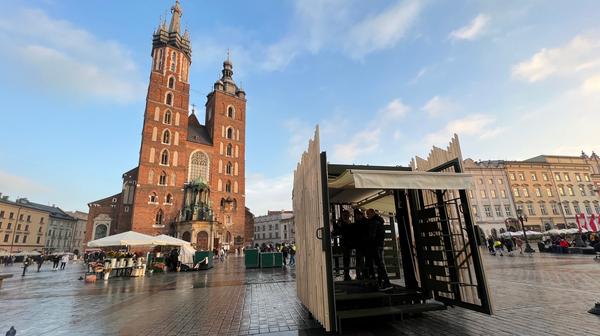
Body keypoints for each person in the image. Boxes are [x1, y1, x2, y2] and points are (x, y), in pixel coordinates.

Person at [366, 209, 392, 291]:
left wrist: (367, 241)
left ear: (372, 213)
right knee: (380, 264)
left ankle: (387, 283)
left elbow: (372, 236)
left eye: (368, 214)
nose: (367, 216)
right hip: (379, 245)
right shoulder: (379, 221)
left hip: (375, 246)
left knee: (379, 265)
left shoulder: (374, 222)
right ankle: (381, 283)